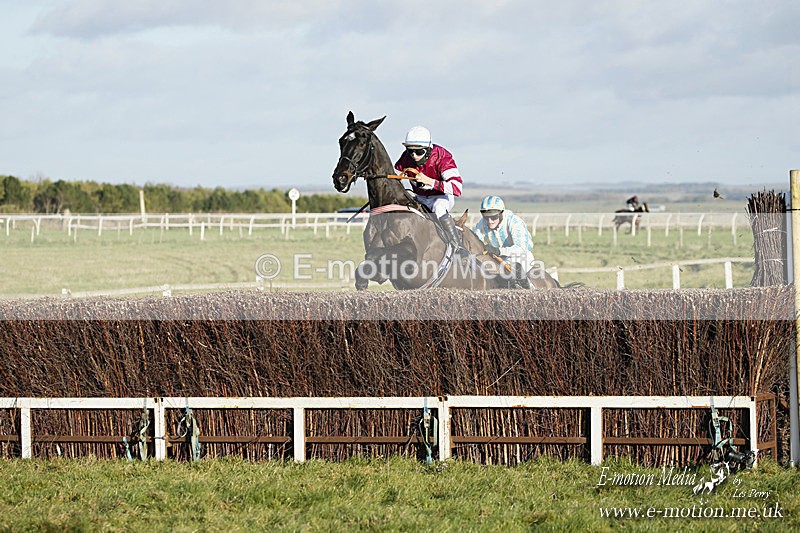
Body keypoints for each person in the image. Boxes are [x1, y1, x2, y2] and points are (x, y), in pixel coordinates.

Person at [394, 125, 468, 255]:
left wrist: (429, 181)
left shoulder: (443, 157)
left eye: (419, 152)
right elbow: (395, 173)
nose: (414, 156)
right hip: (418, 197)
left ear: (428, 149)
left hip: (441, 197)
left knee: (438, 209)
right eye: (410, 151)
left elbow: (457, 188)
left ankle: (458, 247)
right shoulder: (407, 157)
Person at [472, 195, 534, 288]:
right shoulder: (482, 223)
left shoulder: (514, 221)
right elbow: (475, 241)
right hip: (499, 258)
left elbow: (521, 248)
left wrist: (499, 250)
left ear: (501, 213)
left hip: (521, 257)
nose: (490, 221)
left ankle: (529, 289)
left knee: (514, 271)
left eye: (493, 217)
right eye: (486, 217)